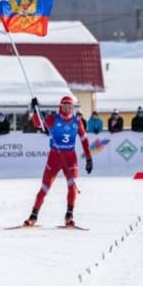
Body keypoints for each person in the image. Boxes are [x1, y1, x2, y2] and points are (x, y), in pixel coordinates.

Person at [23, 96, 93, 227]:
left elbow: (84, 140)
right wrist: (35, 110)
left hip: (70, 158)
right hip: (55, 157)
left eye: (70, 107)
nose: (67, 110)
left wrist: (89, 158)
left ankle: (69, 215)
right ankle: (33, 215)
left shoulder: (77, 121)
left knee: (72, 186)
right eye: (65, 107)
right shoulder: (53, 119)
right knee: (45, 188)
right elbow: (38, 124)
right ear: (60, 107)